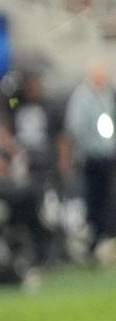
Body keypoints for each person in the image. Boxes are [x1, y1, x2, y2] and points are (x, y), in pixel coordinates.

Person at [65, 60, 116, 256]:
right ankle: (94, 243)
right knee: (94, 200)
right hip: (92, 157)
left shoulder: (106, 94)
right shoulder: (82, 97)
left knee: (107, 199)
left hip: (107, 154)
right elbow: (74, 128)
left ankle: (105, 239)